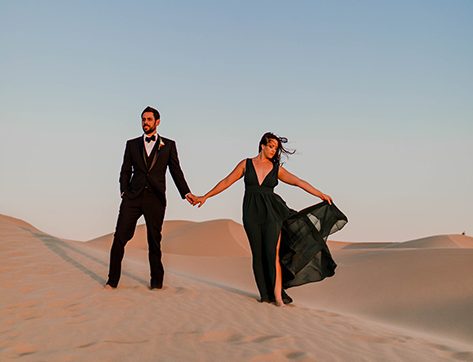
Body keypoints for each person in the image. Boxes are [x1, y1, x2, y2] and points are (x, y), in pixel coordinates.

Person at [190, 132, 347, 306]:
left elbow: (298, 181)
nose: (273, 151)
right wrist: (205, 196)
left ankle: (278, 297)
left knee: (272, 254)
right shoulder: (246, 164)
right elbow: (227, 181)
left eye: (276, 148)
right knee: (258, 255)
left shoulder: (276, 169)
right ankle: (265, 296)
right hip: (251, 214)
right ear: (262, 145)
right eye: (271, 146)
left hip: (272, 213)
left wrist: (320, 194)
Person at [106, 106, 195, 290]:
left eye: (148, 119)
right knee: (119, 238)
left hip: (155, 199)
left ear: (157, 122)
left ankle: (156, 284)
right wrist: (124, 191)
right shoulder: (131, 145)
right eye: (143, 119)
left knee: (154, 241)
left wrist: (186, 192)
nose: (145, 122)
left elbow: (176, 171)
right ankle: (111, 282)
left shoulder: (168, 145)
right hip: (132, 197)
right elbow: (125, 170)